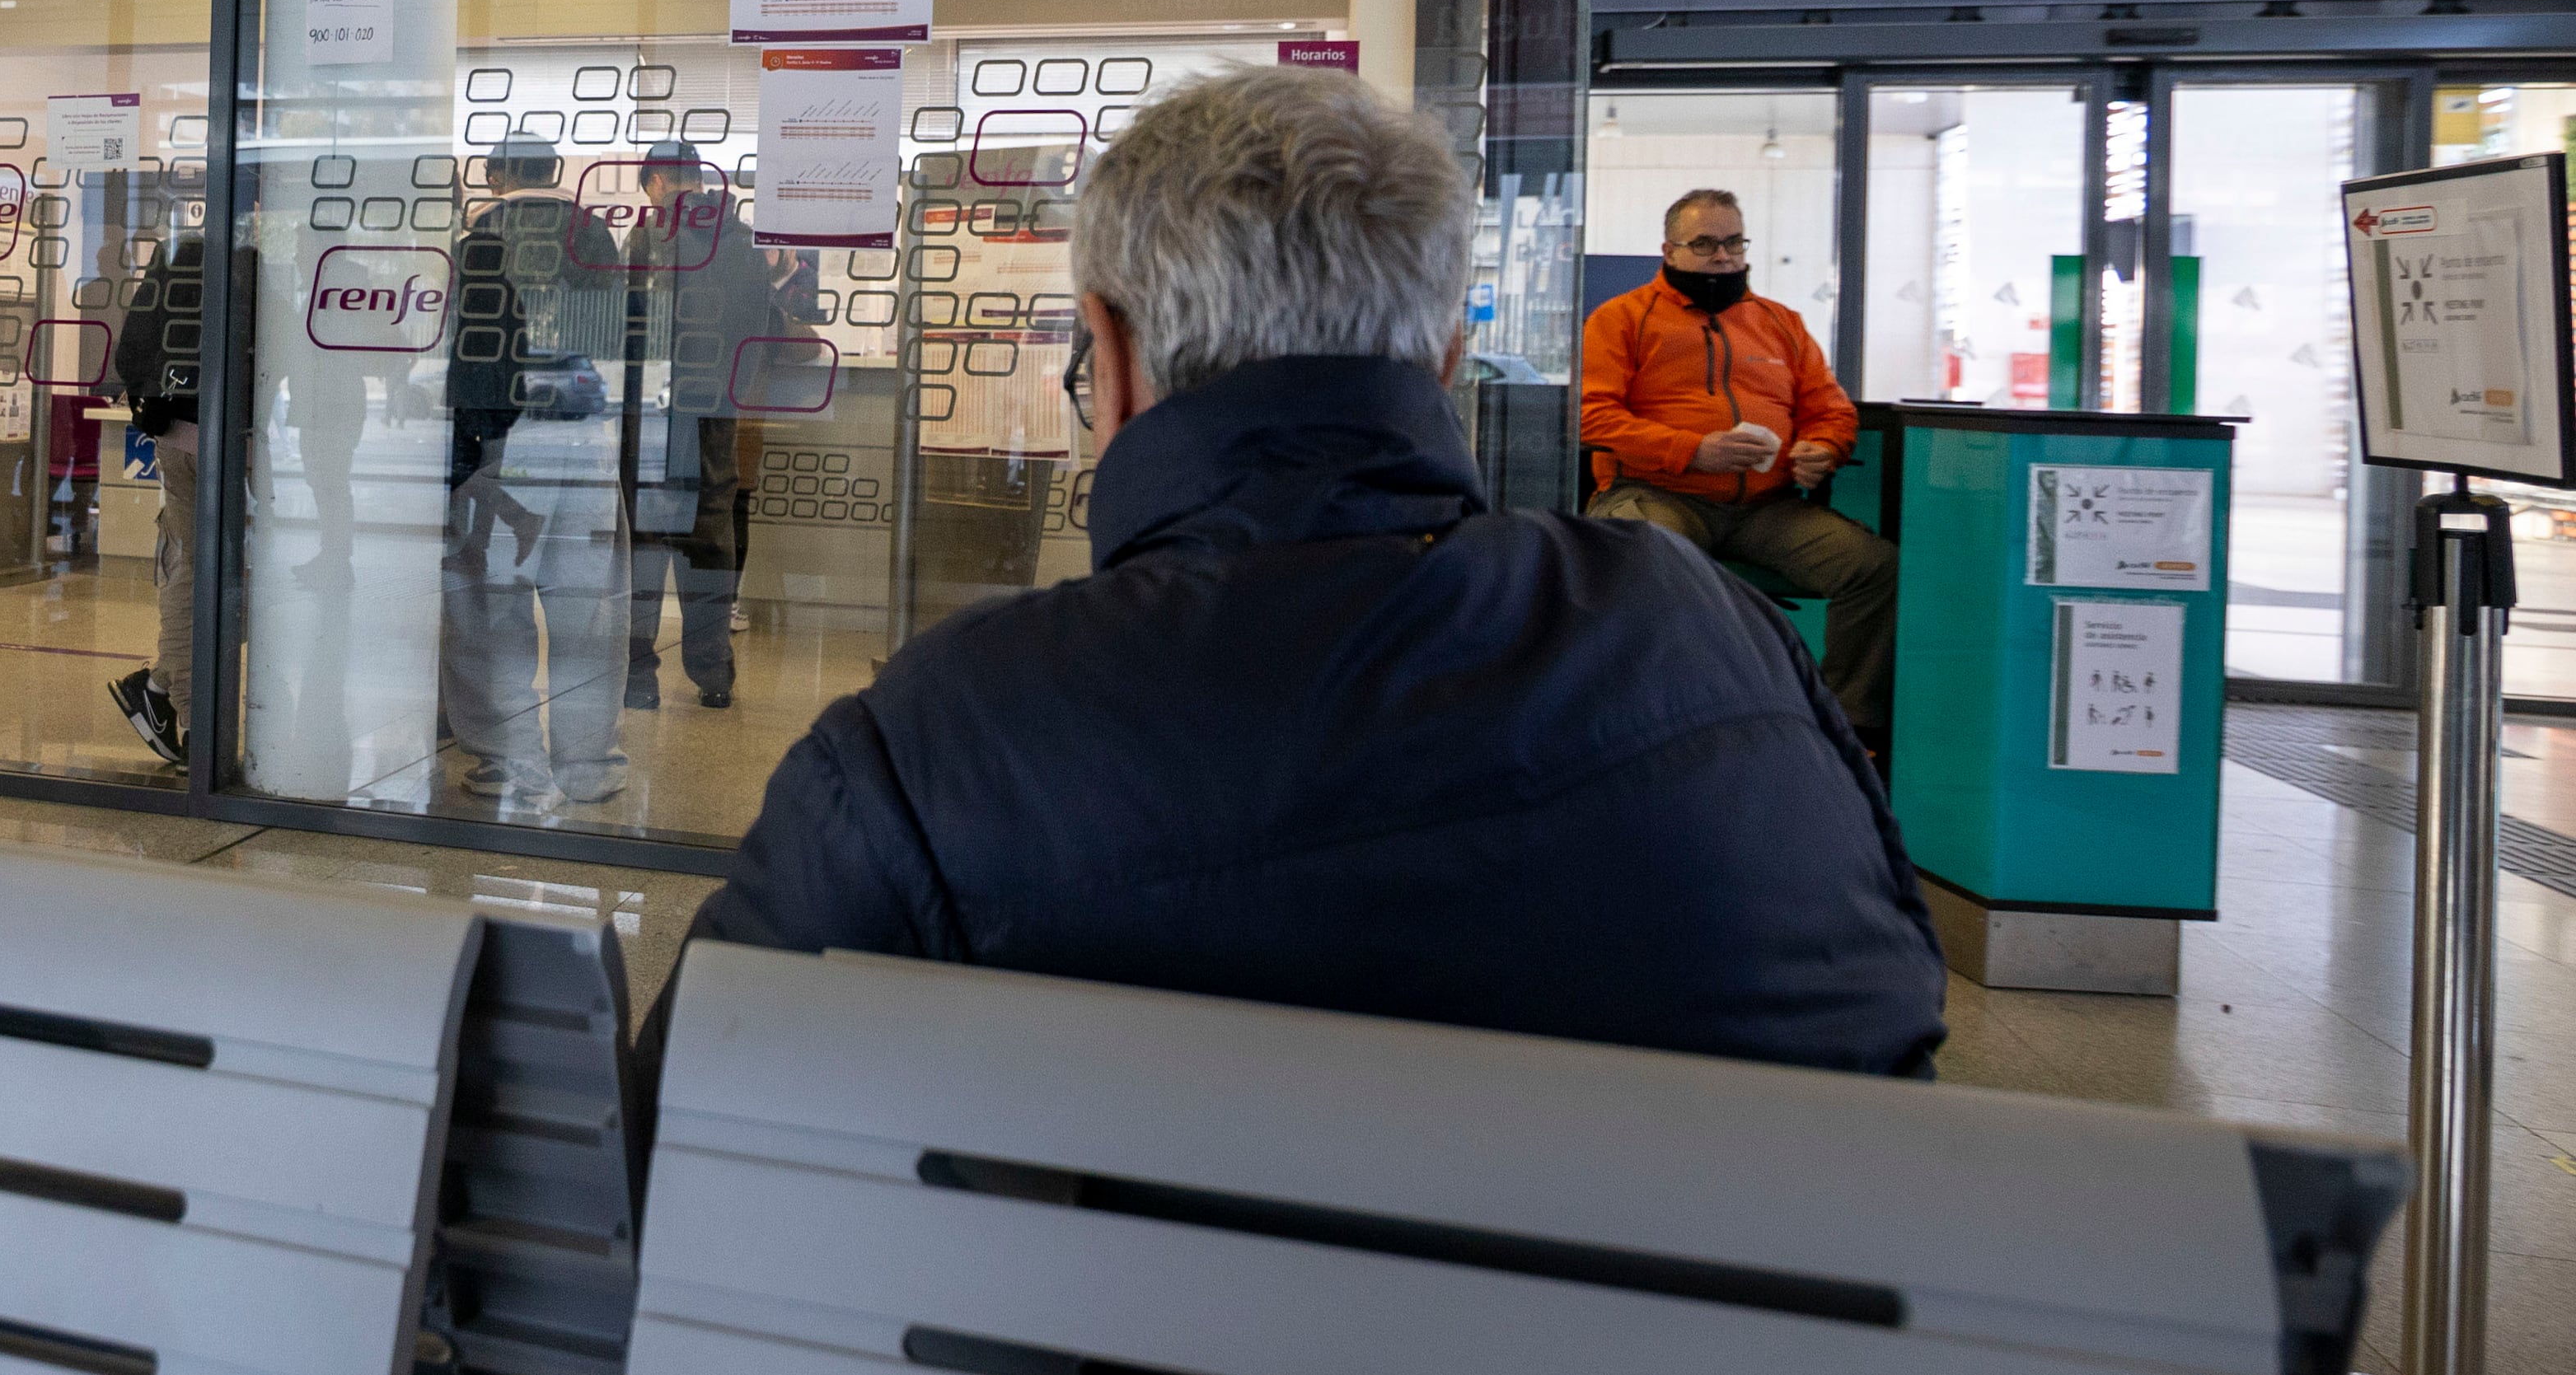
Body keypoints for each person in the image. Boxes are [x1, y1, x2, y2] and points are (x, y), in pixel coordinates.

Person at [657, 68, 1942, 1080]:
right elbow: (1887, 1042)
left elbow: (677, 1156)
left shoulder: (939, 736)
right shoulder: (1713, 642)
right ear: (1442, 360)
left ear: (1103, 353)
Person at [1581, 188, 1899, 745]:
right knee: (1652, 558)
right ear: (1669, 250)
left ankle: (1847, 730)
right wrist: (1690, 449)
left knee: (1873, 568)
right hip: (1656, 490)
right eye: (1704, 243)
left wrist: (1823, 449)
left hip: (1764, 507)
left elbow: (1831, 411)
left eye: (1732, 241)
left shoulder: (1783, 324)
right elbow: (1591, 416)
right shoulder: (1621, 319)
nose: (1722, 255)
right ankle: (1658, 723)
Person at [440, 137, 631, 811]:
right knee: (587, 603)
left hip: (508, 438)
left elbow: (462, 346)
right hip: (585, 432)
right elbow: (618, 339)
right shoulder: (596, 237)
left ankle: (510, 759)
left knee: (492, 602)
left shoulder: (478, 237)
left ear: (495, 174)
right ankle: (586, 762)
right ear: (554, 173)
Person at [618, 142, 803, 713]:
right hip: (716, 412)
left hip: (653, 412)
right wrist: (726, 393)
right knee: (710, 538)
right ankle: (713, 674)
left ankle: (638, 676)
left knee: (645, 542)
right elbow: (758, 330)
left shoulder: (647, 238)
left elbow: (630, 329)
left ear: (654, 182)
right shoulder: (747, 244)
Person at [107, 228, 204, 768]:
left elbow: (133, 348)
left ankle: (166, 687)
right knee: (201, 573)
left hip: (180, 437)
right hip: (224, 441)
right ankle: (191, 716)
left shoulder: (179, 252)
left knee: (197, 568)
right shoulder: (253, 257)